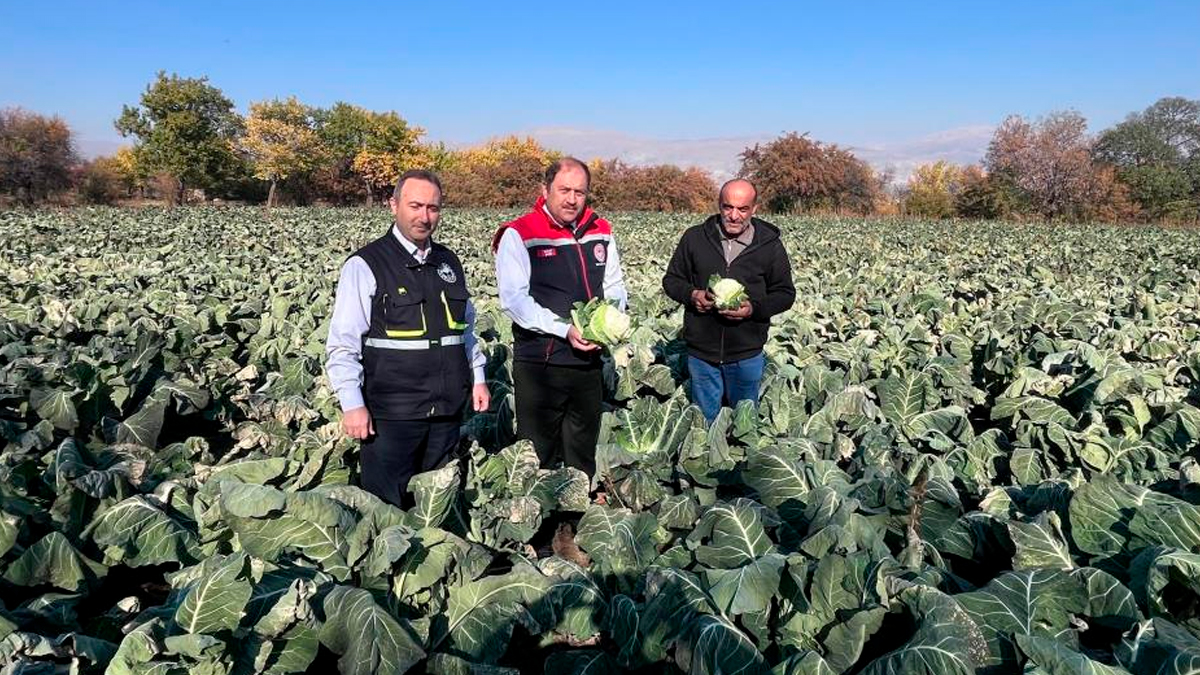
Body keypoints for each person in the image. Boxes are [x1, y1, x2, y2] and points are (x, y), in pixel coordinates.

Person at [325, 169, 489, 508]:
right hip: (392, 414)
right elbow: (343, 343)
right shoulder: (366, 264)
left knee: (435, 508)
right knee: (386, 508)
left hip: (445, 411)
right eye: (415, 206)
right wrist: (352, 404)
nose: (424, 216)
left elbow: (465, 330)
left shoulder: (449, 262)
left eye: (433, 208)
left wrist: (479, 378)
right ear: (393, 205)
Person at [492, 157, 627, 483]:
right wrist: (564, 329)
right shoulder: (520, 233)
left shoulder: (601, 230)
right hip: (542, 364)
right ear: (545, 190)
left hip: (588, 361)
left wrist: (608, 323)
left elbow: (614, 286)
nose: (572, 199)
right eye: (564, 190)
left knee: (581, 450)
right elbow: (514, 300)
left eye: (580, 192)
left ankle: (573, 524)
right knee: (537, 452)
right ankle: (536, 531)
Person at [661, 178, 796, 422]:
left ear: (754, 209)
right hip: (702, 354)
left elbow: (785, 293)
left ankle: (741, 460)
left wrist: (753, 309)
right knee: (704, 422)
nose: (734, 216)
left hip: (746, 353)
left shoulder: (769, 246)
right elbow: (671, 280)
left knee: (743, 424)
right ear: (719, 205)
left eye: (742, 209)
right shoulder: (694, 238)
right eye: (727, 207)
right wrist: (693, 296)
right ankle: (707, 461)